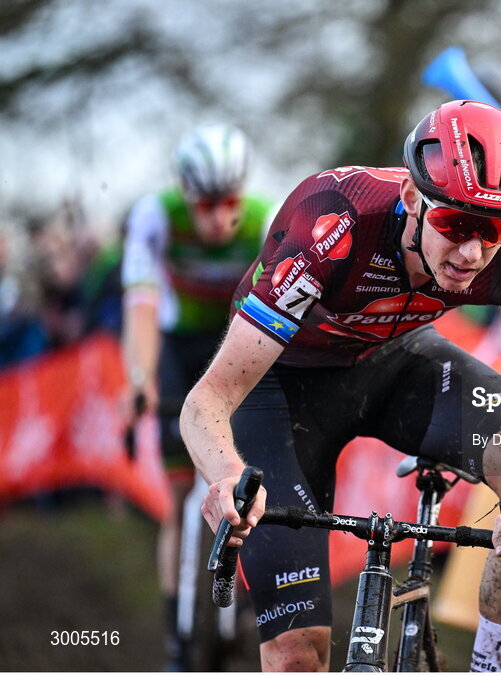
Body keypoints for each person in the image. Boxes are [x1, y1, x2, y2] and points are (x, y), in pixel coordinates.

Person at [180, 101, 501, 672]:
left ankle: (495, 664)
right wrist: (223, 478)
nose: (472, 252)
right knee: (297, 653)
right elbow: (206, 402)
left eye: (493, 229)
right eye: (455, 225)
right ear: (413, 199)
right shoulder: (332, 222)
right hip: (281, 388)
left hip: (395, 364)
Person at [120, 123, 276, 669]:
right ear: (186, 193)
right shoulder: (155, 215)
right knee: (182, 497)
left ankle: (253, 605)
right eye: (205, 204)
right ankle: (176, 634)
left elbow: (281, 318)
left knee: (246, 484)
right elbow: (140, 305)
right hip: (180, 349)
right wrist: (139, 380)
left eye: (228, 201)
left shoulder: (266, 221)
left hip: (239, 345)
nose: (217, 218)